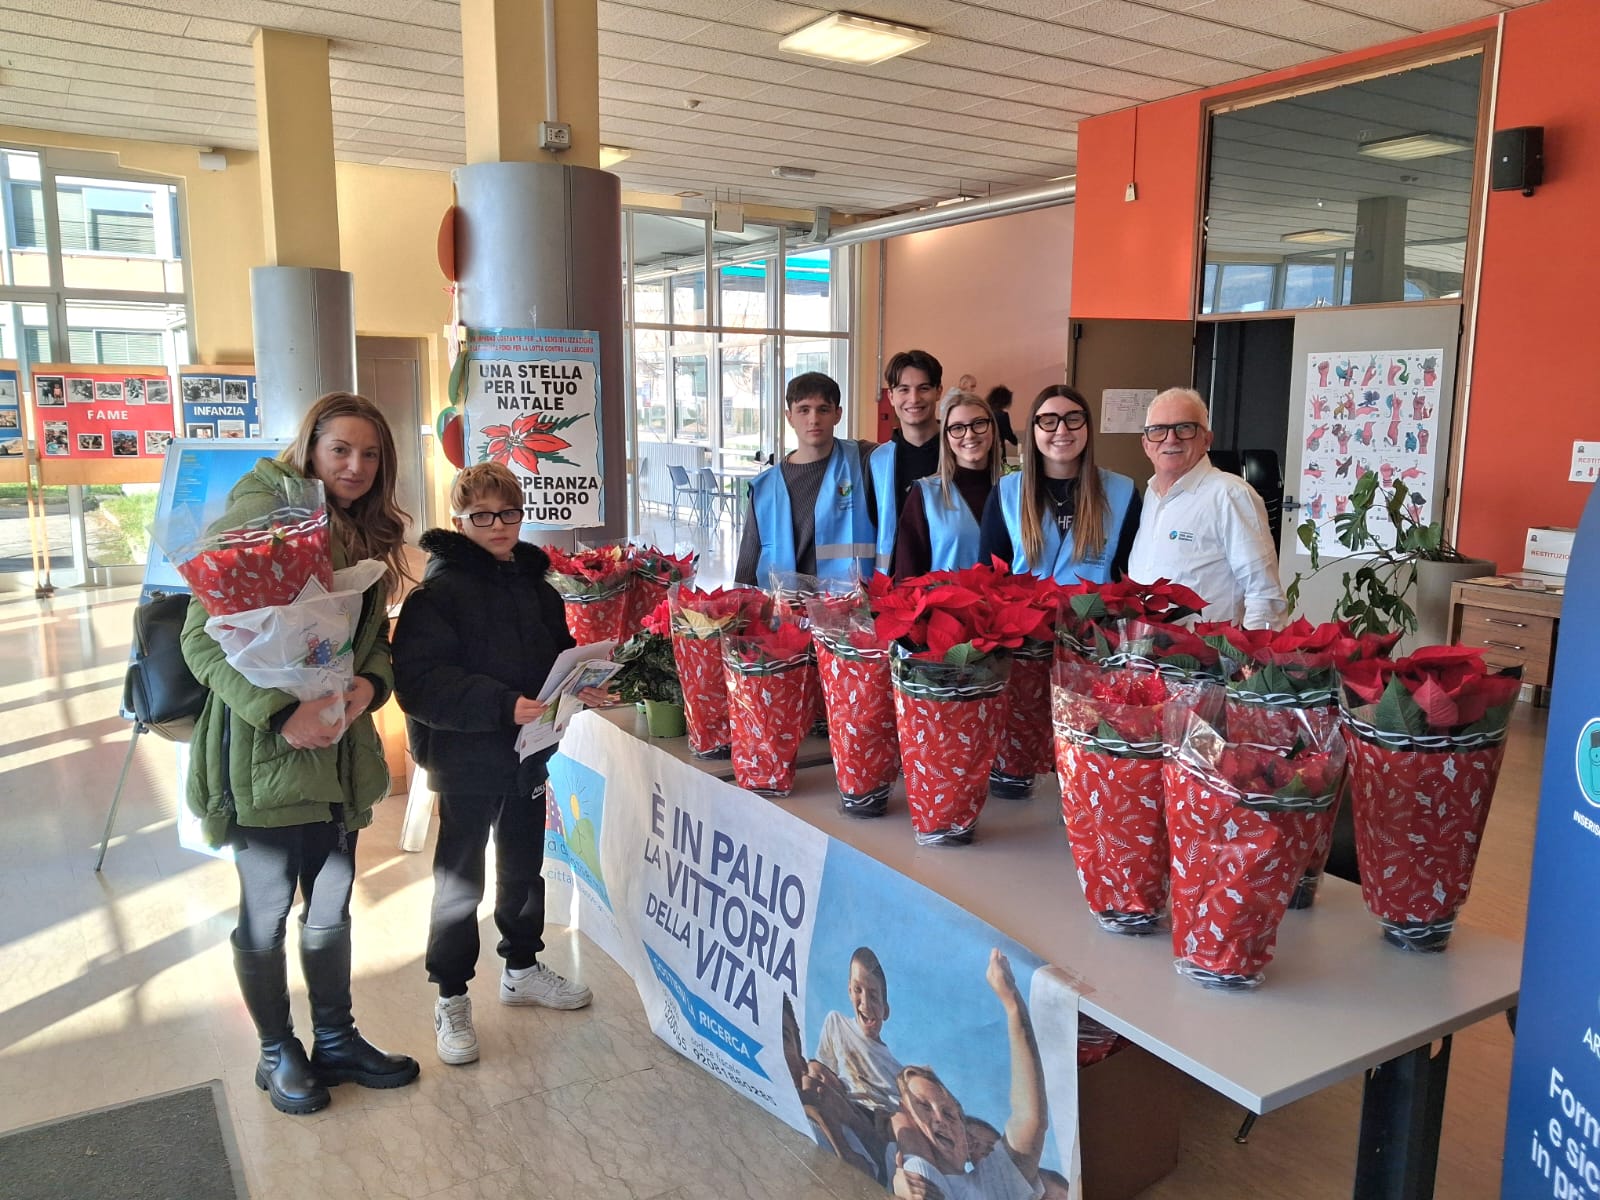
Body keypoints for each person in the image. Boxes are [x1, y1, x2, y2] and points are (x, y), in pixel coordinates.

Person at [181, 392, 418, 1116]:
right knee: (266, 910)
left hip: (342, 751)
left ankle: (337, 1040)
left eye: (370, 453)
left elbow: (373, 642)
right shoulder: (262, 517)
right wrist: (284, 714)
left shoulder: (360, 530)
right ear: (309, 447)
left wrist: (367, 689)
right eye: (341, 449)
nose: (356, 465)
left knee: (332, 909)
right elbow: (202, 637)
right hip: (265, 756)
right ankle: (277, 1051)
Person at [392, 462, 608, 1068]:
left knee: (523, 867)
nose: (498, 526)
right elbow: (422, 684)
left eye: (509, 513)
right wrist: (499, 705)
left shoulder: (536, 587)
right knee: (459, 880)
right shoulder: (436, 595)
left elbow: (554, 658)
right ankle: (452, 995)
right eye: (482, 515)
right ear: (459, 520)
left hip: (529, 755)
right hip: (466, 758)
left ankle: (520, 967)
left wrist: (580, 685)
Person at [891, 949, 1048, 1200]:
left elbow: (1030, 1118)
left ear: (966, 1138)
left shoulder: (992, 1183)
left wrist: (1012, 1005)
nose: (939, 1119)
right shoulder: (904, 1170)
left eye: (950, 1114)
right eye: (924, 1106)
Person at [1127, 387, 1287, 628]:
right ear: (1146, 444)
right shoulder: (1151, 494)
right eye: (1158, 430)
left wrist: (1252, 661)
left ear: (1206, 440)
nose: (1171, 439)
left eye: (1184, 428)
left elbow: (1265, 596)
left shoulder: (1230, 495)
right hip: (1146, 656)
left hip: (1206, 660)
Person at [978, 385, 1140, 584]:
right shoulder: (1006, 493)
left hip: (1097, 614)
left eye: (1073, 419)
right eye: (1048, 421)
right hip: (1025, 613)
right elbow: (988, 576)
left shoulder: (1122, 492)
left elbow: (1134, 576)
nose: (1062, 430)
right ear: (1033, 430)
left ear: (1087, 426)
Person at [735, 371, 877, 586]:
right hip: (785, 611)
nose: (814, 419)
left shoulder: (862, 460)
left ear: (837, 414)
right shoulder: (764, 487)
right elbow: (748, 563)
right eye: (804, 410)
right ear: (789, 416)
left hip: (848, 609)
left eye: (823, 409)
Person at [892, 390, 1001, 579]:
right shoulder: (925, 495)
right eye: (957, 428)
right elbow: (907, 578)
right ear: (946, 438)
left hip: (1008, 607)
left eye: (979, 423)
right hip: (944, 607)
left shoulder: (1014, 492)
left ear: (992, 428)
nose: (969, 434)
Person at [870, 350, 944, 570]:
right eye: (904, 389)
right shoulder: (876, 462)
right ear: (891, 396)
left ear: (938, 391)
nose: (914, 399)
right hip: (893, 589)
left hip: (950, 586)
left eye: (924, 388)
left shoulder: (959, 454)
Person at [817, 947, 905, 1116]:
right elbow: (824, 1070)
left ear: (885, 1010)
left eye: (873, 996)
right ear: (849, 991)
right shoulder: (836, 1024)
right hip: (843, 1109)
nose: (864, 1003)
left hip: (878, 1124)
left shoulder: (898, 1072)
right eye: (858, 990)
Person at [986, 386, 1019, 455]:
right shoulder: (1002, 415)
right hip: (998, 447)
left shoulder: (985, 412)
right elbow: (1007, 433)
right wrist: (1016, 441)